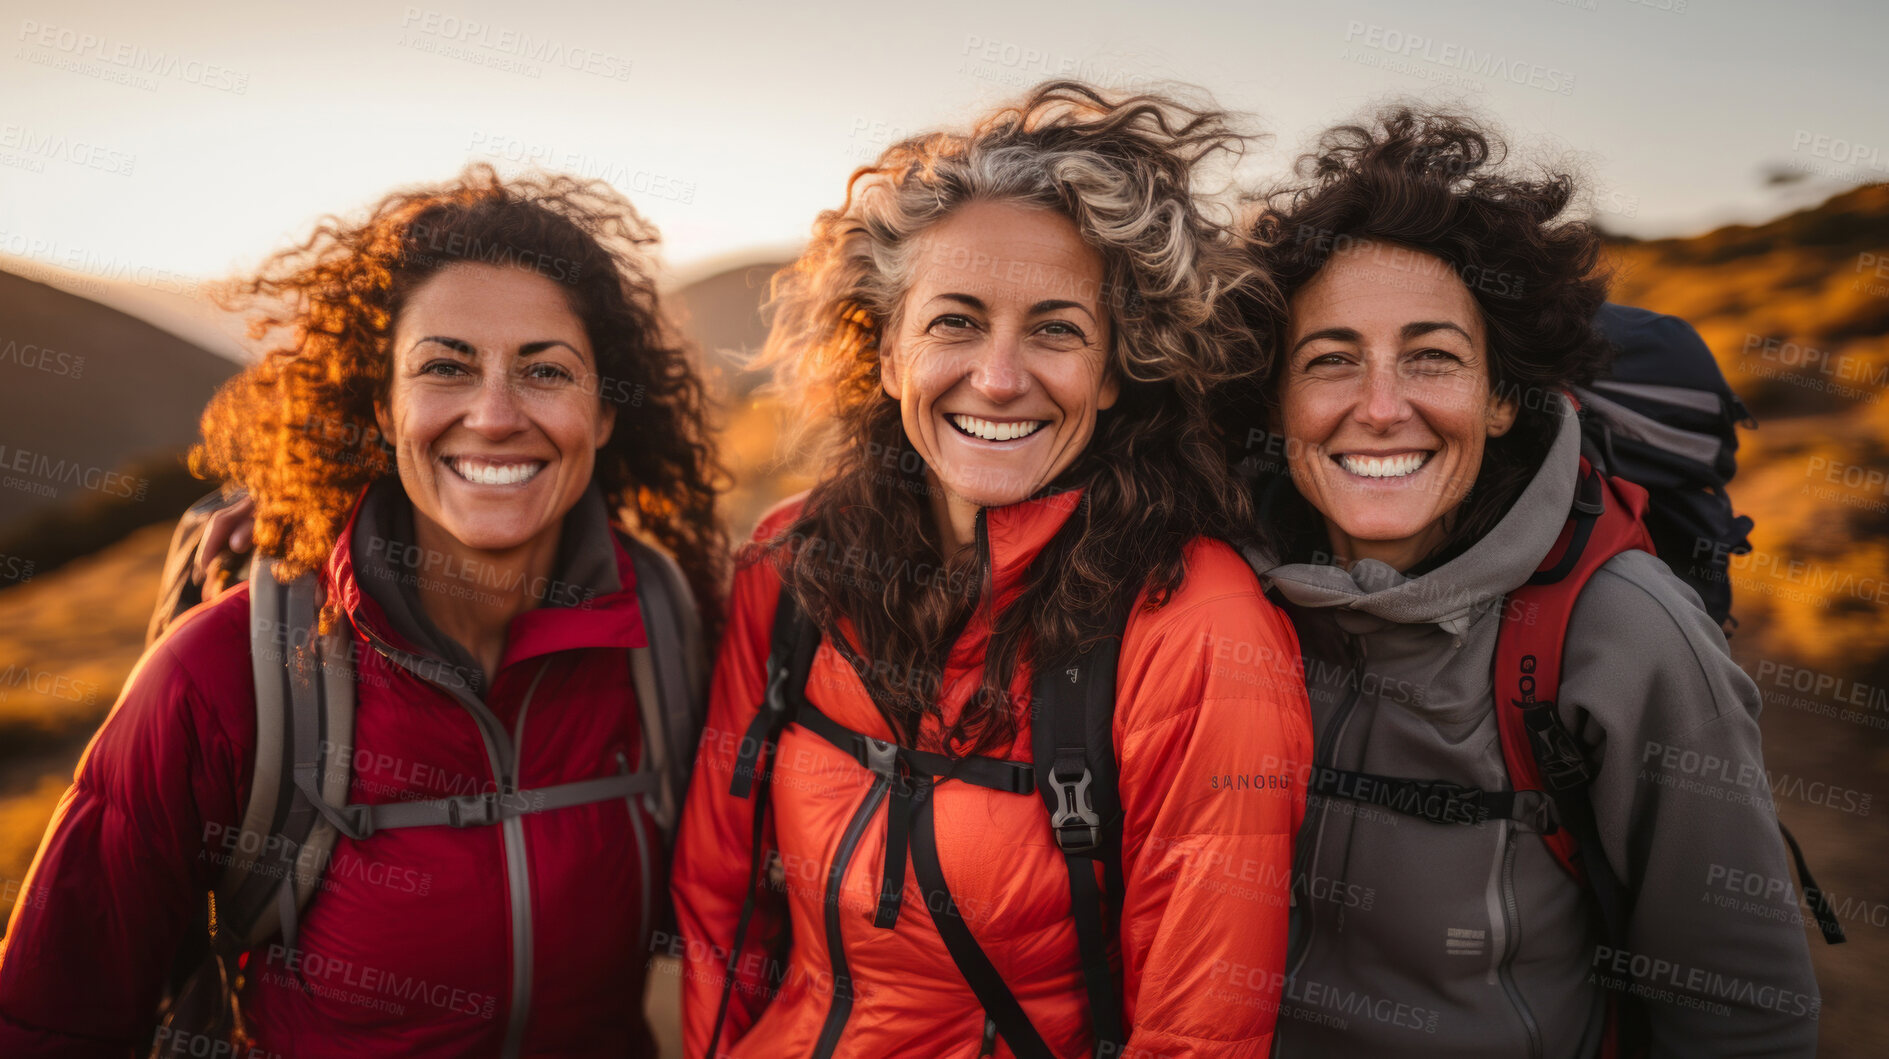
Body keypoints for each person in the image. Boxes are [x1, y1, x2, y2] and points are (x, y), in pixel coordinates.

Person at [0, 165, 723, 1058]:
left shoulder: (668, 634)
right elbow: (52, 1022)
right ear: (381, 405)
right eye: (443, 368)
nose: (494, 415)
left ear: (604, 414)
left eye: (545, 371)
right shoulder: (224, 674)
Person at [671, 81, 1314, 1059]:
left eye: (1055, 329)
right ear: (887, 352)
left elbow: (1196, 1034)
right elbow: (722, 905)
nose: (1000, 377)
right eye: (954, 322)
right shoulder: (790, 563)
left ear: (1109, 372)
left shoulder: (1197, 626)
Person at [1236, 108, 1821, 1057]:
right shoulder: (1207, 598)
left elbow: (1740, 1018)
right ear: (1276, 399)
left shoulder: (1627, 636)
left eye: (1433, 356)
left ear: (1504, 397)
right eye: (1330, 360)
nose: (1380, 407)